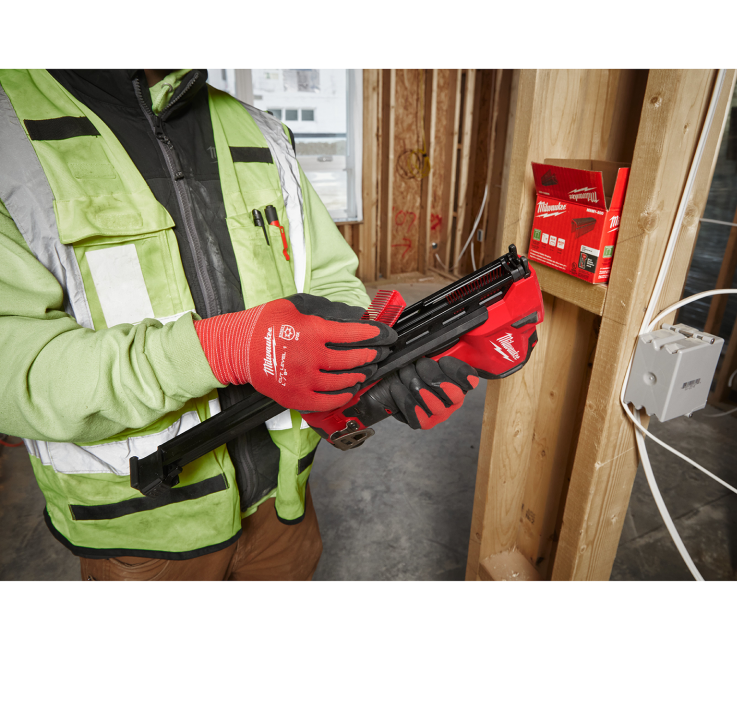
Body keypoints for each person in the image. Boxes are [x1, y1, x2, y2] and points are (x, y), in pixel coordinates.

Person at [0, 69, 479, 581]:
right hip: (145, 536)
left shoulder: (263, 133)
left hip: (285, 506)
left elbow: (330, 280)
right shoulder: (12, 133)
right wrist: (224, 348)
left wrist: (366, 372)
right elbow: (16, 369)